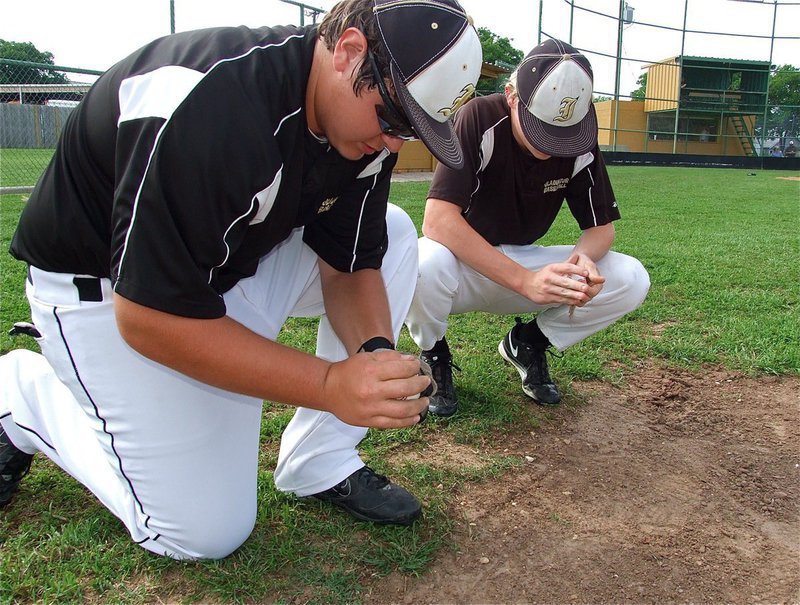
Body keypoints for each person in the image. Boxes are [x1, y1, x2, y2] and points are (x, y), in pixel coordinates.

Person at [0, 0, 482, 559]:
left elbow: (351, 260)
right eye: (394, 119)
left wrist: (372, 358)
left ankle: (321, 459)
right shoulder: (213, 104)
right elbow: (149, 315)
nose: (396, 143)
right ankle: (24, 396)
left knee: (393, 234)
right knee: (201, 533)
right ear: (349, 53)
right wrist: (329, 385)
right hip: (105, 294)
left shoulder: (358, 122)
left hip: (220, 269)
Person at [405, 38, 650, 417]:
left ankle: (528, 343)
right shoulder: (479, 117)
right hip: (460, 265)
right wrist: (524, 281)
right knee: (423, 262)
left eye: (564, 132)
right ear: (511, 95)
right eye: (542, 127)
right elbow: (438, 221)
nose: (553, 145)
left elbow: (601, 229)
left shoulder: (579, 135)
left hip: (522, 262)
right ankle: (434, 351)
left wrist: (582, 260)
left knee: (629, 276)